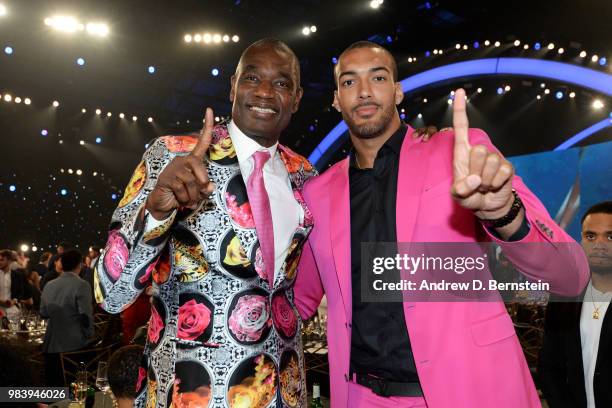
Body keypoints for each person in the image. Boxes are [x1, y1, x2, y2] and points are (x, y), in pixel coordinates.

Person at [294, 41, 589, 407]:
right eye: (350, 82)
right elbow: (294, 303)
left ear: (398, 91)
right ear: (337, 99)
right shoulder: (318, 194)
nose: (365, 91)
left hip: (471, 388)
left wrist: (504, 216)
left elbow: (570, 276)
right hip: (363, 397)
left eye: (379, 77)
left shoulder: (458, 153)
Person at [95, 38, 317, 407]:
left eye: (281, 83)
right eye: (252, 78)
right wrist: (158, 212)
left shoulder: (305, 175)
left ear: (296, 98)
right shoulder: (173, 155)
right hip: (190, 390)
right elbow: (111, 295)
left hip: (282, 391)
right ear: (232, 86)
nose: (264, 91)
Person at [539, 201, 612, 408]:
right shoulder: (565, 297)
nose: (599, 244)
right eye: (591, 236)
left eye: (610, 236)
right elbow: (550, 366)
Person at [40, 250, 94, 385]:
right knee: (73, 386)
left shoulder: (49, 284)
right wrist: (89, 335)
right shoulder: (82, 285)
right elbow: (85, 316)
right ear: (80, 265)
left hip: (50, 344)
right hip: (73, 345)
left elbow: (43, 312)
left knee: (53, 386)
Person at [0, 249, 29, 317]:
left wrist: (14, 301)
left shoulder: (17, 275)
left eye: (2, 260)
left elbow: (20, 292)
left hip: (12, 310)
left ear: (9, 261)